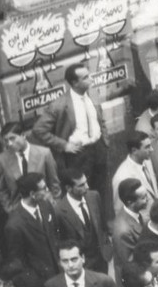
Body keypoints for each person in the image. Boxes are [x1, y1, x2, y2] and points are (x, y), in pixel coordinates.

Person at [31, 64, 108, 196]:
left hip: (99, 148)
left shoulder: (92, 95)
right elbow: (38, 130)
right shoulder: (59, 105)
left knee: (104, 189)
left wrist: (105, 139)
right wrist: (64, 145)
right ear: (74, 83)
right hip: (79, 155)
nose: (91, 79)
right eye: (85, 77)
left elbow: (99, 120)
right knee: (83, 191)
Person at [0, 121, 60, 213]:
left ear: (23, 135)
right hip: (19, 211)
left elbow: (54, 182)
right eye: (6, 140)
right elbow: (1, 189)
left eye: (12, 138)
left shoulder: (44, 153)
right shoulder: (0, 160)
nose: (9, 143)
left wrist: (55, 204)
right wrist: (9, 209)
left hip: (45, 206)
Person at [4, 173, 59, 281]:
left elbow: (55, 234)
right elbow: (18, 260)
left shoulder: (46, 205)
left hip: (58, 270)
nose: (47, 190)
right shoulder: (14, 225)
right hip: (39, 278)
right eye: (43, 188)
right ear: (33, 194)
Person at [54, 170, 108, 274]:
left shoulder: (94, 196)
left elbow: (102, 226)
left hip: (101, 260)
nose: (87, 187)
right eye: (81, 185)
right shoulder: (59, 211)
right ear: (68, 188)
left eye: (86, 182)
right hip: (81, 265)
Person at [111, 131, 158, 216]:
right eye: (147, 147)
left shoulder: (146, 160)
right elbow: (119, 210)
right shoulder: (122, 177)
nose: (152, 149)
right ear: (134, 150)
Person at [111, 179, 147, 287]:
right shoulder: (123, 231)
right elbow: (131, 265)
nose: (147, 200)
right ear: (129, 202)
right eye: (143, 198)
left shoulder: (134, 214)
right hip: (135, 282)